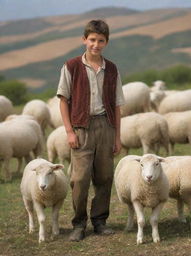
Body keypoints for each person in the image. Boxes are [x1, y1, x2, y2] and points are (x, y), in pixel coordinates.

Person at [56, 19, 125, 242]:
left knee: (105, 176)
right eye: (92, 40)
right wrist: (69, 131)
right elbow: (63, 100)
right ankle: (78, 224)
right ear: (84, 40)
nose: (96, 44)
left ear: (106, 42)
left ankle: (100, 221)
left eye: (101, 40)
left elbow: (116, 104)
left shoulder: (112, 68)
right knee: (80, 178)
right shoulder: (71, 66)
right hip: (81, 128)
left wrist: (117, 136)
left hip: (106, 126)